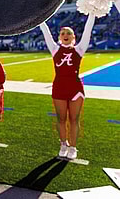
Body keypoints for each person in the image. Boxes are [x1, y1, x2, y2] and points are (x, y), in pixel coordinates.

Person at [40, 13, 96, 160]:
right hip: (59, 88)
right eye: (63, 33)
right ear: (59, 37)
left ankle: (73, 147)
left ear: (73, 37)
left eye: (69, 33)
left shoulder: (79, 49)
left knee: (74, 119)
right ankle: (63, 144)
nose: (65, 35)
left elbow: (87, 30)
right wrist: (39, 18)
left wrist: (92, 13)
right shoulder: (54, 49)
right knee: (61, 119)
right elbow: (45, 30)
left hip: (75, 89)